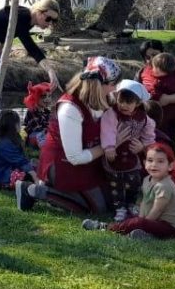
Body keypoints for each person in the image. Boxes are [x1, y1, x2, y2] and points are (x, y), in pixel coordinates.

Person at [18, 56, 121, 216]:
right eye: (112, 85)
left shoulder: (106, 98)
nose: (114, 89)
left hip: (89, 159)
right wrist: (111, 145)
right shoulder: (70, 108)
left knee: (110, 203)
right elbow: (75, 157)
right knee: (95, 209)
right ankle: (33, 190)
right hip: (64, 163)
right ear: (98, 85)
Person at [83, 143, 175, 240]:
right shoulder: (147, 180)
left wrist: (142, 223)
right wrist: (139, 218)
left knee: (138, 222)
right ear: (144, 163)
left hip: (171, 228)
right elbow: (146, 202)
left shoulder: (164, 185)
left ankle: (105, 227)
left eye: (160, 161)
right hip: (156, 221)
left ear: (170, 166)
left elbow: (157, 210)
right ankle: (145, 236)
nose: (154, 165)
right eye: (150, 160)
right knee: (131, 218)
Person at [100, 80, 156, 221]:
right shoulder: (112, 114)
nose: (123, 105)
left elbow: (149, 135)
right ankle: (119, 208)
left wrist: (144, 147)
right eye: (121, 101)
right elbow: (108, 130)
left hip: (132, 157)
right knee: (115, 184)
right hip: (115, 156)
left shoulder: (144, 118)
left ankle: (131, 204)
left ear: (137, 103)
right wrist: (109, 147)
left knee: (134, 182)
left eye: (128, 102)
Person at [23, 81, 54, 150]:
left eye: (49, 96)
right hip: (35, 137)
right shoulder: (32, 111)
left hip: (44, 135)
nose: (47, 99)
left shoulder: (47, 111)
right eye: (43, 97)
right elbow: (37, 128)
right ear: (35, 97)